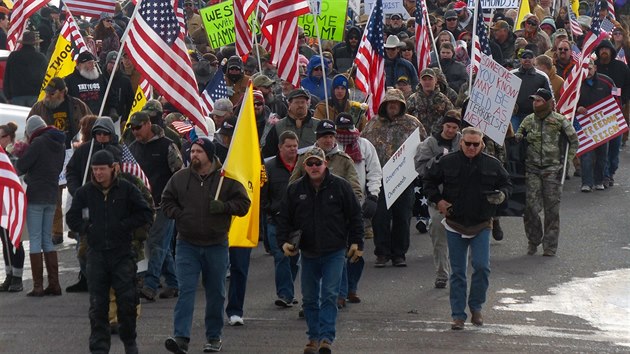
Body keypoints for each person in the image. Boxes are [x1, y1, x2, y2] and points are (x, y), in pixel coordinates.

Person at [162, 137, 250, 354]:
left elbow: (244, 204)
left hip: (216, 244)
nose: (194, 155)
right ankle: (181, 337)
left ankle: (213, 337)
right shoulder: (180, 178)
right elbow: (166, 201)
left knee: (216, 293)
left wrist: (224, 207)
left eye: (199, 151)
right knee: (186, 291)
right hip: (186, 244)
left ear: (209, 155)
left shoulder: (226, 179)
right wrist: (179, 214)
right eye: (192, 151)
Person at [276, 147, 364, 354]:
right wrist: (283, 242)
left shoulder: (341, 186)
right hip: (308, 252)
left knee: (330, 295)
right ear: (304, 166)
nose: (314, 167)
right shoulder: (295, 189)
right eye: (310, 163)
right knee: (308, 298)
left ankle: (326, 338)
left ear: (325, 164)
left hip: (334, 251)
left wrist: (357, 243)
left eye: (318, 163)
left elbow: (355, 216)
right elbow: (284, 219)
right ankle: (313, 338)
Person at [423, 127, 512, 330]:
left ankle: (476, 307)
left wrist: (502, 195)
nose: (471, 148)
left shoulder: (493, 163)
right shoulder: (446, 162)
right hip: (455, 223)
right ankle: (458, 316)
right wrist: (438, 200)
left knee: (482, 267)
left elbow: (507, 183)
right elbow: (428, 180)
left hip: (481, 223)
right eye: (468, 144)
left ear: (482, 144)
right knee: (458, 272)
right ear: (461, 143)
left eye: (476, 144)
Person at [65, 149, 152, 354]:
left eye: (102, 169)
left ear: (112, 168)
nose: (98, 173)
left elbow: (145, 212)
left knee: (127, 302)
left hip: (122, 254)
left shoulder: (127, 189)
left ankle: (129, 342)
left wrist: (124, 225)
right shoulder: (85, 193)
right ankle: (99, 347)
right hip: (96, 255)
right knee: (98, 305)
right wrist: (87, 228)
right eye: (95, 170)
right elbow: (72, 218)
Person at [361, 88, 426, 267]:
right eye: (390, 103)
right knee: (380, 217)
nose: (393, 106)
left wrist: (418, 170)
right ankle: (382, 253)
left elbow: (424, 147)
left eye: (396, 103)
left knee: (402, 217)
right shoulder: (372, 124)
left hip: (404, 179)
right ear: (384, 105)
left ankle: (399, 253)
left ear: (402, 105)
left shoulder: (413, 124)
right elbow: (363, 147)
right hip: (379, 179)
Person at [515, 88, 578, 256]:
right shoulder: (528, 120)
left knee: (552, 209)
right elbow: (518, 136)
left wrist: (567, 162)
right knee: (530, 208)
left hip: (552, 169)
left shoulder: (559, 121)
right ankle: (533, 239)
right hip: (532, 168)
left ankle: (550, 245)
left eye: (539, 100)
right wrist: (517, 138)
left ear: (548, 103)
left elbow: (574, 140)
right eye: (534, 100)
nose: (535, 103)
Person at [128, 111, 183, 301]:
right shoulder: (132, 148)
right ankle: (174, 283)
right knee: (162, 245)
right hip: (143, 205)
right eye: (132, 128)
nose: (135, 131)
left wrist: (177, 200)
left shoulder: (167, 145)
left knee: (157, 244)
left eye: (138, 127)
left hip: (164, 204)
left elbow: (179, 174)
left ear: (148, 124)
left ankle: (150, 285)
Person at [65, 117, 122, 293]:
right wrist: (76, 191)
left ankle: (105, 279)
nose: (102, 136)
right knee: (82, 243)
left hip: (110, 204)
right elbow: (72, 171)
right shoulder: (84, 151)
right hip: (86, 203)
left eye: (105, 133)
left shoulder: (118, 151)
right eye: (98, 133)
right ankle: (87, 277)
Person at [334, 113, 382, 304]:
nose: (343, 134)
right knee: (338, 250)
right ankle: (340, 291)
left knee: (356, 250)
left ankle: (351, 288)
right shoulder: (328, 145)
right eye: (340, 130)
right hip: (333, 207)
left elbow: (375, 171)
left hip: (358, 206)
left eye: (347, 130)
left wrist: (373, 195)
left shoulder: (364, 146)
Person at [15, 116, 66, 297]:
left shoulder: (37, 143)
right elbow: (58, 169)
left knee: (35, 239)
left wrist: (19, 156)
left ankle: (38, 286)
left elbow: (21, 166)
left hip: (36, 194)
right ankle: (55, 284)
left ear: (32, 131)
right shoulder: (59, 143)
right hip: (52, 195)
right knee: (46, 239)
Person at [415, 112, 462, 289]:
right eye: (448, 126)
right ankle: (442, 273)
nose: (450, 130)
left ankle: (459, 272)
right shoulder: (429, 144)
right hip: (437, 197)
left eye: (454, 128)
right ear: (443, 126)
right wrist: (436, 162)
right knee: (438, 233)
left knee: (461, 237)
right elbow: (419, 167)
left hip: (459, 197)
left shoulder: (464, 142)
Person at [262, 131, 301, 308]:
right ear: (280, 147)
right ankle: (285, 294)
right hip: (275, 222)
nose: (293, 149)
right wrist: (272, 209)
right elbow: (262, 196)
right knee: (281, 256)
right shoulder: (268, 167)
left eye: (295, 146)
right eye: (289, 146)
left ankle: (288, 289)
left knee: (294, 259)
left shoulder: (305, 165)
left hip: (299, 223)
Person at [575, 58, 615, 192]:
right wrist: (577, 109)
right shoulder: (576, 84)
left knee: (602, 154)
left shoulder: (607, 81)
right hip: (585, 124)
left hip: (603, 124)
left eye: (590, 68)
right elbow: (569, 104)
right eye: (585, 68)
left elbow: (616, 99)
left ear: (595, 68)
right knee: (586, 154)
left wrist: (615, 116)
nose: (588, 71)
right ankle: (586, 183)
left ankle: (599, 181)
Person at [0, 122, 24, 293]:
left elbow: (17, 176)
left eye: (1, 136)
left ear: (9, 138)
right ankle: (9, 275)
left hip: (13, 203)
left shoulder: (15, 155)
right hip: (3, 203)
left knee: (15, 240)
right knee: (5, 241)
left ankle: (17, 277)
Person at [263, 89, 320, 158]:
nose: (300, 105)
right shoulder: (278, 127)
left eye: (303, 102)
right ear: (289, 104)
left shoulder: (318, 125)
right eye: (297, 102)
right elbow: (269, 154)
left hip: (313, 166)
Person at [510, 49, 552, 131]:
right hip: (515, 115)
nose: (527, 59)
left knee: (532, 140)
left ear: (534, 59)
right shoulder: (511, 74)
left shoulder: (542, 76)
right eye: (524, 57)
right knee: (514, 139)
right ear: (520, 59)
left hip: (535, 115)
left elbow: (549, 98)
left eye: (530, 57)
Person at [3, 31, 47, 107]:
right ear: (34, 43)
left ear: (22, 43)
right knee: (33, 118)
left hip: (16, 95)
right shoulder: (41, 58)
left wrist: (7, 96)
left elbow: (7, 77)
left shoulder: (13, 56)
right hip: (35, 95)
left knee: (17, 118)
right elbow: (45, 77)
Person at [407, 68, 454, 135]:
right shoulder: (412, 99)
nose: (427, 82)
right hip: (417, 138)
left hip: (437, 139)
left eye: (430, 79)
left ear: (435, 80)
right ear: (420, 81)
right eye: (424, 79)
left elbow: (452, 118)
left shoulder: (443, 100)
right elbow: (406, 119)